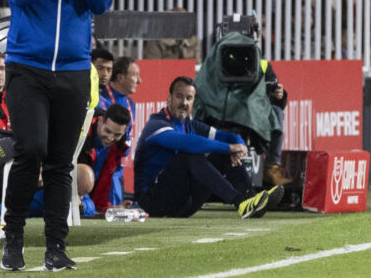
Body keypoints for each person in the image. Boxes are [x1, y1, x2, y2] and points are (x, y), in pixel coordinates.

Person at [0, 0, 112, 271]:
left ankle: (55, 248)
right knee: (30, 151)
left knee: (62, 163)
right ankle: (12, 238)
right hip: (26, 69)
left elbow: (100, 3)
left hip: (73, 72)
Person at [133, 76, 284, 219]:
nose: (184, 102)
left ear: (193, 101)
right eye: (179, 96)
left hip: (185, 204)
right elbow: (189, 143)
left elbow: (227, 136)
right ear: (169, 98)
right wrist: (229, 147)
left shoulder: (190, 124)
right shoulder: (156, 125)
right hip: (153, 202)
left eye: (189, 98)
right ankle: (239, 201)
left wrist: (240, 146)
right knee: (189, 155)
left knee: (223, 154)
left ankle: (250, 200)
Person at [97, 56, 140, 207]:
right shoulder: (100, 99)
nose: (139, 81)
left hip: (117, 171)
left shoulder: (131, 104)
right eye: (135, 75)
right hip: (97, 168)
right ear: (121, 77)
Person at [77, 104, 130, 212]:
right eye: (107, 131)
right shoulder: (81, 135)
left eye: (117, 135)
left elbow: (105, 183)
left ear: (124, 131)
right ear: (100, 120)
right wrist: (85, 206)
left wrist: (107, 208)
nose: (110, 138)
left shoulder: (120, 145)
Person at [263, 61, 293, 186]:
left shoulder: (261, 63)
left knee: (276, 111)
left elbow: (272, 86)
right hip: (231, 110)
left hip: (255, 111)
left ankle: (272, 168)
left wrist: (279, 95)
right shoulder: (221, 59)